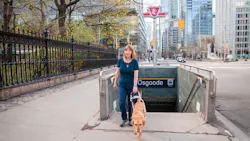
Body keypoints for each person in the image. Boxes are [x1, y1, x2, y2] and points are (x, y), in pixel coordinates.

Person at [113, 45, 139, 127]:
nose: (127, 52)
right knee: (121, 102)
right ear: (124, 52)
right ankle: (124, 118)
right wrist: (115, 82)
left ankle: (131, 119)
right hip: (122, 85)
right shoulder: (120, 61)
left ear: (132, 52)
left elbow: (136, 75)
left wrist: (135, 86)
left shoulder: (135, 62)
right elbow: (117, 73)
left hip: (131, 85)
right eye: (126, 50)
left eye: (129, 50)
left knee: (131, 103)